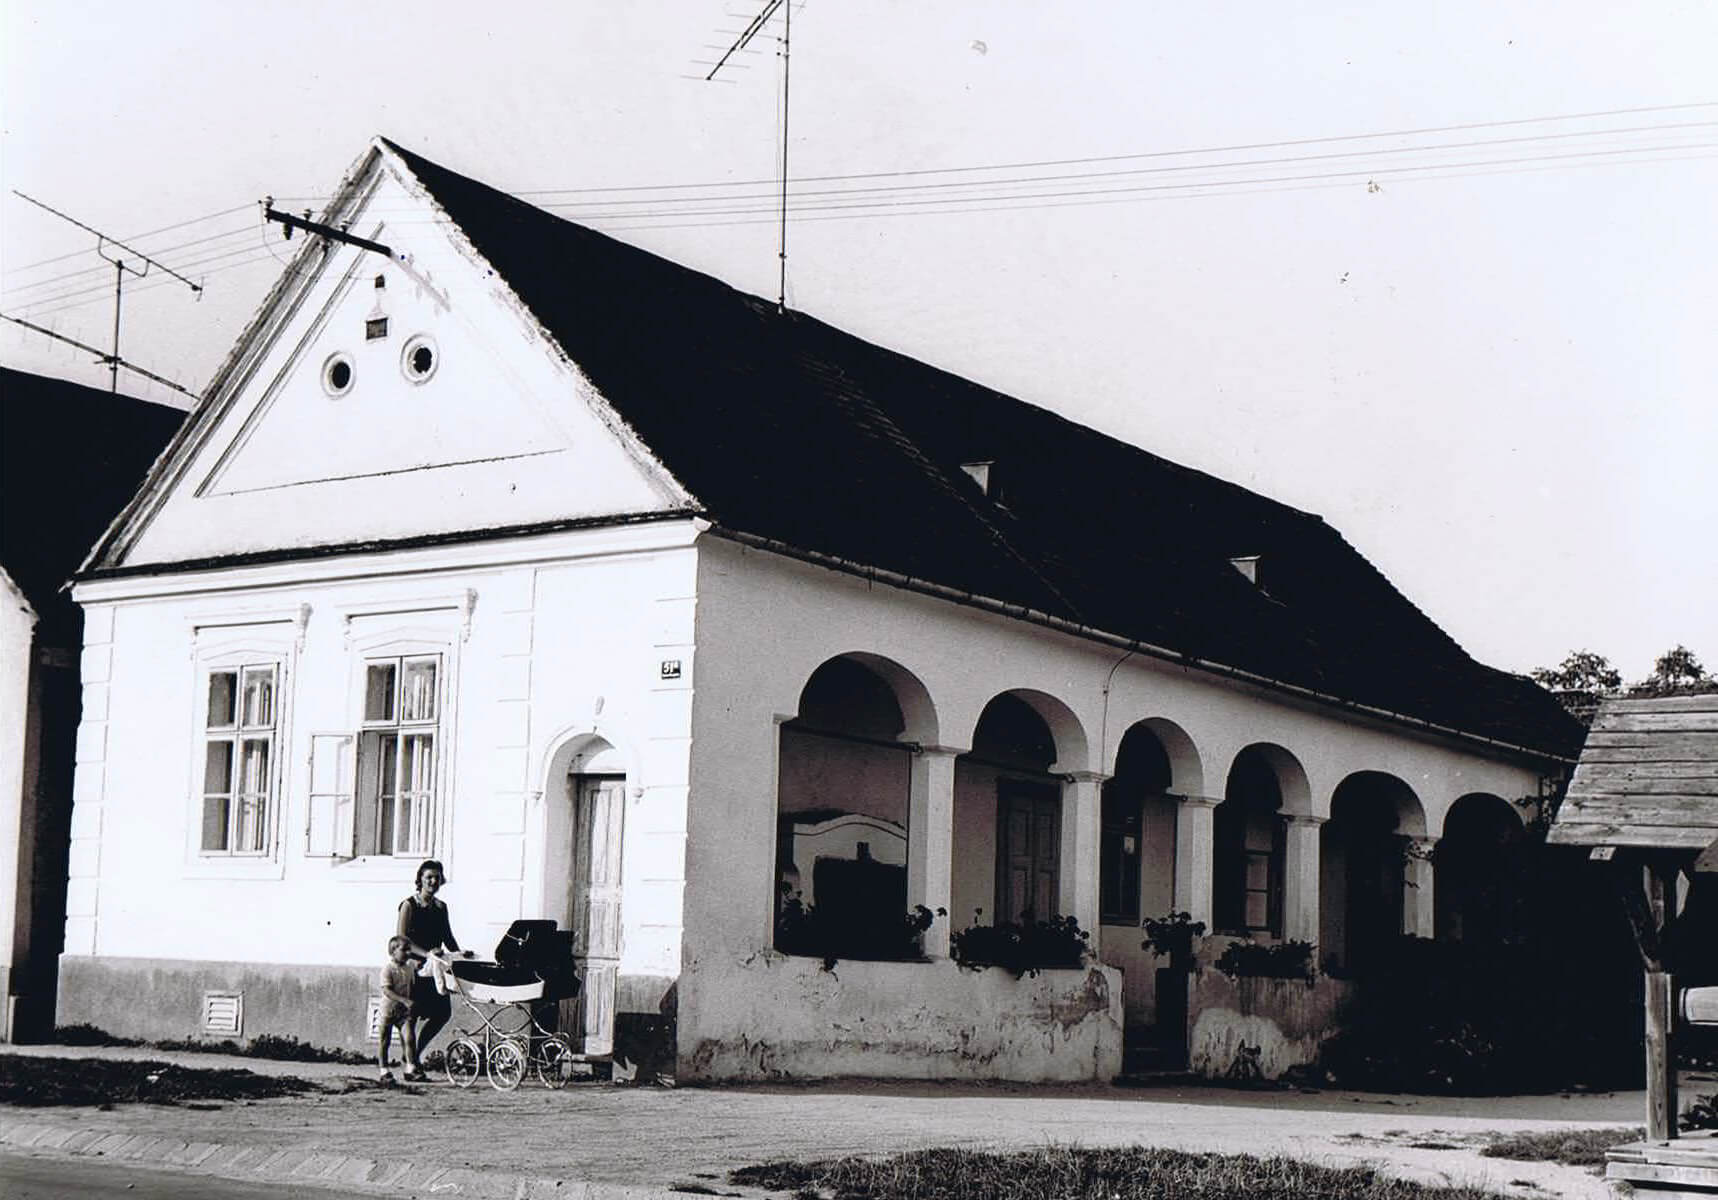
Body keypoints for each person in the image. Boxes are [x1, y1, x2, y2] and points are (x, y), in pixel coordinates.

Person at [396, 858, 462, 1081]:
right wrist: (426, 955)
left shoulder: (441, 907)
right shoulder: (409, 905)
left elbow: (448, 937)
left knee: (442, 1013)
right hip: (412, 968)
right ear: (420, 880)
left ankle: (413, 1057)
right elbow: (401, 940)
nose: (433, 881)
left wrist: (461, 956)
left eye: (436, 877)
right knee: (411, 1017)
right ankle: (410, 1067)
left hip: (435, 971)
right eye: (428, 878)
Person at [376, 935, 419, 1084]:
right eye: (404, 950)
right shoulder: (387, 969)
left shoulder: (409, 968)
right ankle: (384, 1070)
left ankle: (410, 1068)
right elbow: (387, 991)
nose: (408, 953)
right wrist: (404, 1000)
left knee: (409, 1038)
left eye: (409, 950)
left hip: (403, 1012)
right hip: (388, 1011)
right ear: (393, 951)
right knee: (384, 1040)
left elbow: (412, 985)